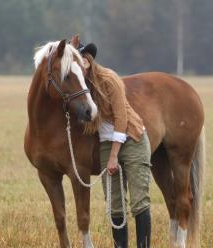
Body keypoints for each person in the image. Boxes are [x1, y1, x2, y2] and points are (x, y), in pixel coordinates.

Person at [74, 37, 152, 248]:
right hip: (107, 144)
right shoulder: (81, 87)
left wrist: (113, 156)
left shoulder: (109, 79)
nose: (77, 66)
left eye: (80, 61)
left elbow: (121, 118)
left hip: (132, 138)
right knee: (115, 206)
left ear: (88, 61)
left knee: (139, 202)